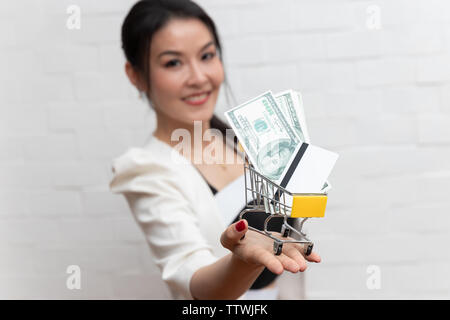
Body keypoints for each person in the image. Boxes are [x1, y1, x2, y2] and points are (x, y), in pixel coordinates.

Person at [109, 0, 321, 300]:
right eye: (173, 62)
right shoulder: (145, 170)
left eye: (207, 56)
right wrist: (242, 260)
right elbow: (195, 281)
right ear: (136, 75)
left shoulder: (248, 141)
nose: (198, 77)